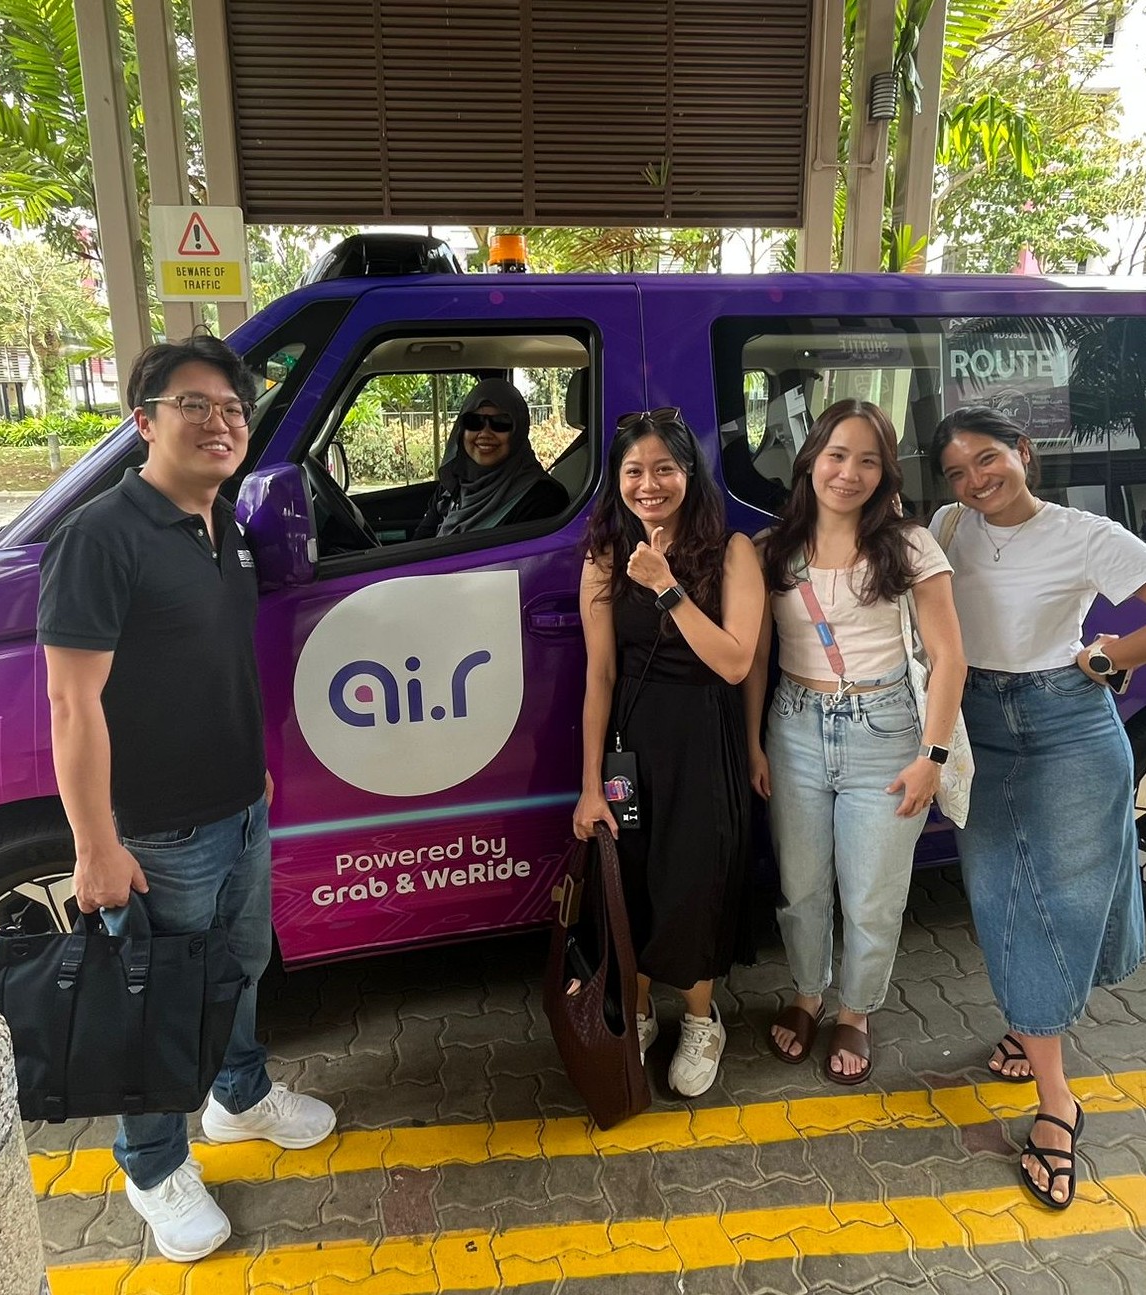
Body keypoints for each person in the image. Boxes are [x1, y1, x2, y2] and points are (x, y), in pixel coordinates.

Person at [36, 335, 336, 1262]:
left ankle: (239, 1098)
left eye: (235, 410)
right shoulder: (100, 537)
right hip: (159, 830)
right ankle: (154, 1165)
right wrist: (95, 845)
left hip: (240, 804)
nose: (221, 423)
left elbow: (215, 663)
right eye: (194, 405)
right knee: (157, 1003)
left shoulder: (225, 527)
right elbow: (71, 701)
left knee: (238, 968)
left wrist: (252, 771)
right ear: (144, 422)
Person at [931, 405, 1146, 1211]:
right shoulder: (947, 523)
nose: (976, 480)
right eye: (958, 470)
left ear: (1024, 452)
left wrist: (1110, 654)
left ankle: (1057, 1103)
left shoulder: (1085, 533)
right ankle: (1036, 1016)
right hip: (977, 724)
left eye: (988, 459)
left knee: (1057, 901)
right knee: (998, 896)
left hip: (1066, 724)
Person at [744, 400, 966, 1086]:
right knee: (800, 887)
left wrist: (932, 757)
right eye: (838, 455)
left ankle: (856, 1010)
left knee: (872, 895)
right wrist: (754, 743)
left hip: (887, 731)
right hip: (794, 727)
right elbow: (756, 656)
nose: (850, 472)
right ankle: (808, 993)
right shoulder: (771, 547)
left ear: (886, 471)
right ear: (810, 459)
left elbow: (950, 656)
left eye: (869, 459)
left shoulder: (909, 545)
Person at [572, 408, 766, 1099]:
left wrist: (668, 586)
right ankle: (643, 1007)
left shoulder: (731, 551)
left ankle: (700, 1017)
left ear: (689, 473)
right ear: (616, 480)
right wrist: (590, 782)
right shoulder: (602, 552)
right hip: (632, 738)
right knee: (633, 879)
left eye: (663, 468)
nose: (648, 484)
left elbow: (737, 661)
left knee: (697, 879)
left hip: (702, 734)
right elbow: (599, 675)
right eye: (633, 471)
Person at [414, 378, 571, 538]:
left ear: (518, 432)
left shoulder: (543, 499)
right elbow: (419, 545)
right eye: (474, 422)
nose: (485, 434)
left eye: (500, 423)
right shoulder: (452, 487)